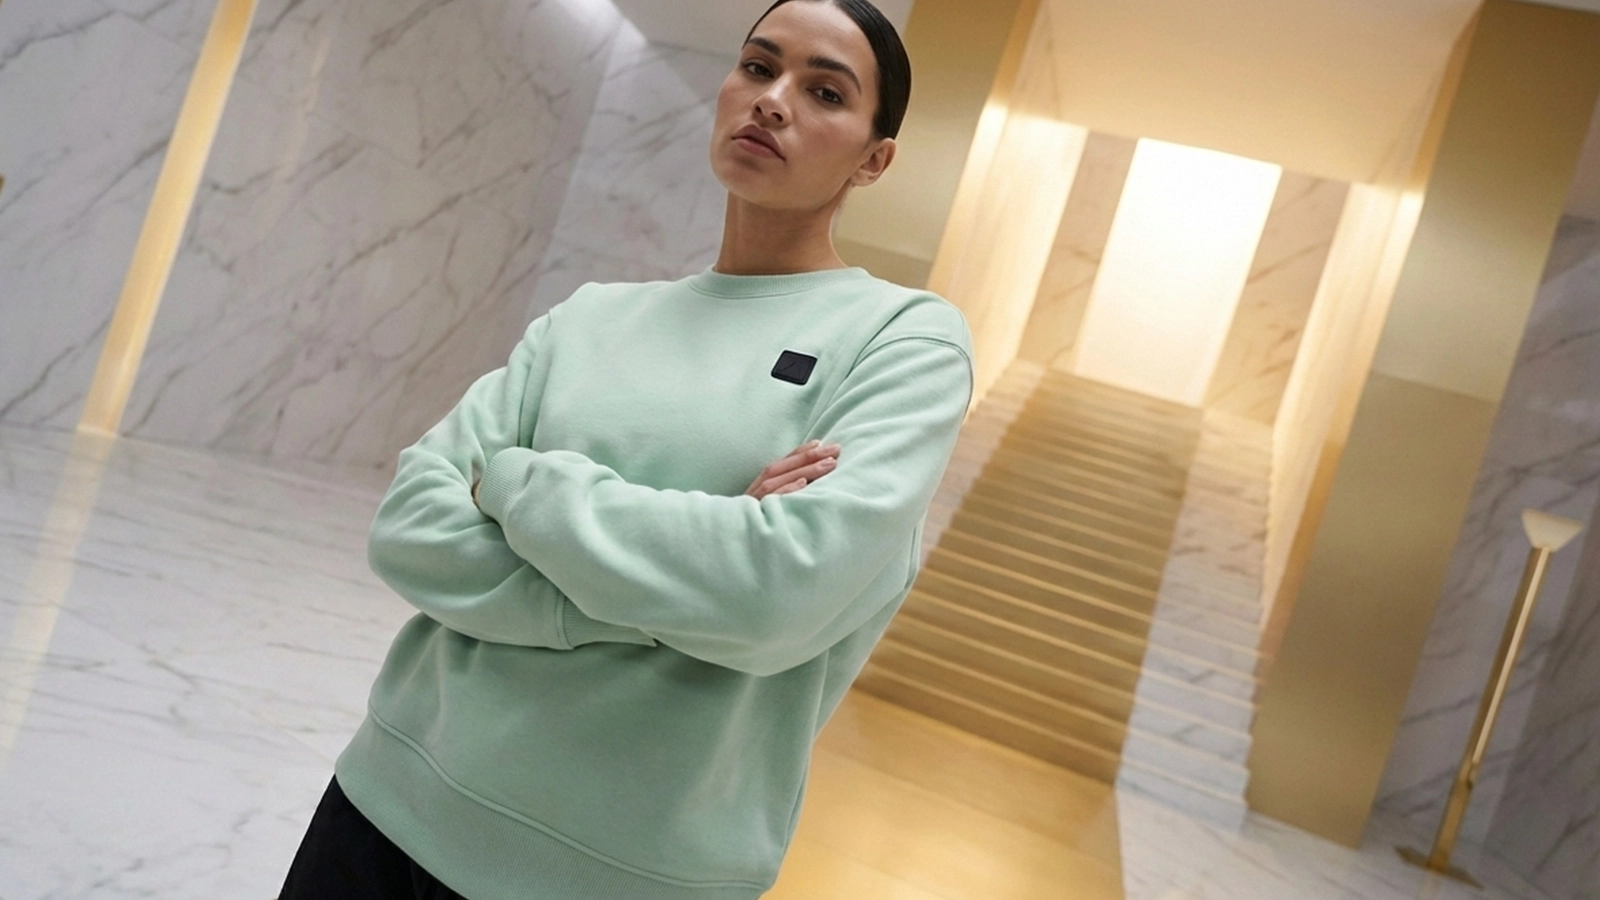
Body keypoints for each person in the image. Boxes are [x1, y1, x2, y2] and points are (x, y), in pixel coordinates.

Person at [277, 1, 973, 897]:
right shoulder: (592, 316)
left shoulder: (904, 340)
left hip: (624, 872)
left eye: (825, 91)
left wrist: (523, 485)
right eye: (758, 68)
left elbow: (773, 595)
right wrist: (686, 570)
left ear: (875, 158)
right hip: (385, 798)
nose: (772, 100)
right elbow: (410, 525)